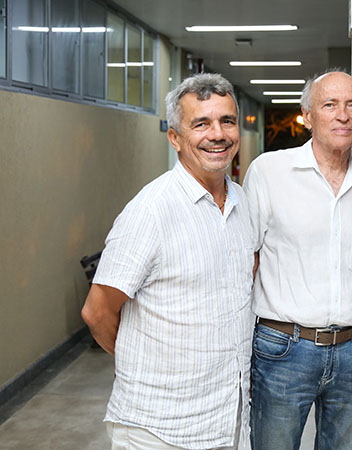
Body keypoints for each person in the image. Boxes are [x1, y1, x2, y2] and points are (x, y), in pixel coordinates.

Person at [81, 73, 255, 450]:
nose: (218, 134)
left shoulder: (244, 204)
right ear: (175, 138)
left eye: (227, 121)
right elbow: (97, 312)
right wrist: (153, 368)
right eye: (201, 124)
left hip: (228, 421)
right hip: (160, 429)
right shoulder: (150, 211)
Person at [244, 70, 352, 450]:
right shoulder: (269, 171)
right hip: (283, 349)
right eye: (329, 105)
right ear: (307, 116)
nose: (343, 115)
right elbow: (246, 262)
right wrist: (236, 352)